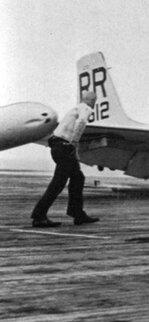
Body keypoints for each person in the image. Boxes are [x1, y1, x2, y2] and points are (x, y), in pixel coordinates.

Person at [31, 91, 100, 227]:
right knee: (58, 183)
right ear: (91, 100)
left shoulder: (75, 109)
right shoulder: (86, 108)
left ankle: (77, 213)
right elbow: (81, 122)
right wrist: (74, 142)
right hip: (64, 148)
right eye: (94, 99)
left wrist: (74, 150)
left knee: (78, 178)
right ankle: (39, 216)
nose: (94, 102)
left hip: (59, 147)